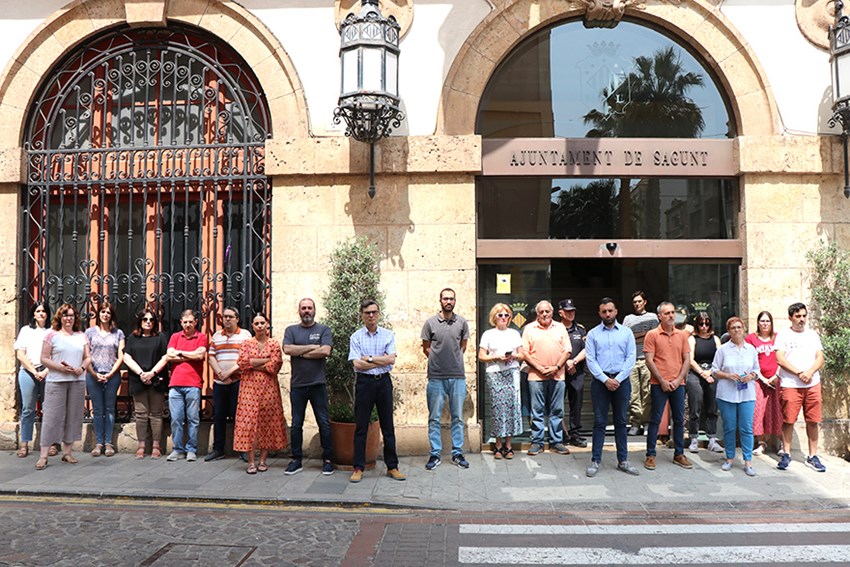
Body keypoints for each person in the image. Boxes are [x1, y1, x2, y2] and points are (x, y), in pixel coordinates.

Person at [348, 299, 405, 483]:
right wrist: (381, 360)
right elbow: (357, 364)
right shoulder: (356, 337)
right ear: (362, 315)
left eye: (374, 312)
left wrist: (370, 359)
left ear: (379, 314)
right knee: (361, 427)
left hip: (383, 383)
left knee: (388, 426)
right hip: (364, 383)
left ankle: (392, 467)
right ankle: (358, 468)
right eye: (367, 313)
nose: (371, 315)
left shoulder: (388, 335)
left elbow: (391, 360)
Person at [584, 297, 638, 477]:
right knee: (599, 422)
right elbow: (591, 360)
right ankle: (595, 460)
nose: (607, 314)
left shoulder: (626, 333)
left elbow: (631, 358)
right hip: (600, 382)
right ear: (599, 313)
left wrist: (618, 379)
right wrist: (605, 379)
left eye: (610, 311)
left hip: (622, 382)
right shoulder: (593, 334)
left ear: (616, 312)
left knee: (621, 421)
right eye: (604, 311)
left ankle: (623, 460)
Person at [35, 304, 91, 470]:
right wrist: (60, 368)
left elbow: (88, 357)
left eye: (72, 315)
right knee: (51, 417)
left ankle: (67, 452)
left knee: (73, 416)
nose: (69, 318)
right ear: (60, 318)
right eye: (65, 315)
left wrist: (81, 368)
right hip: (56, 381)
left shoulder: (81, 336)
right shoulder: (52, 335)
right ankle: (43, 456)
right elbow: (44, 358)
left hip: (77, 380)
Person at [282, 298, 334, 475]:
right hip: (298, 386)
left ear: (314, 310)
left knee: (324, 423)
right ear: (299, 311)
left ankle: (328, 460)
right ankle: (296, 460)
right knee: (296, 424)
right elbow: (287, 349)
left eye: (309, 308)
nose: (306, 311)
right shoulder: (291, 330)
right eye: (303, 308)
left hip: (318, 384)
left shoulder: (323, 329)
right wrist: (312, 347)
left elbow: (325, 351)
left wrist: (300, 352)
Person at [422, 288, 470, 470]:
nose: (449, 302)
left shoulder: (462, 323)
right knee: (434, 418)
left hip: (457, 376)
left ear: (455, 301)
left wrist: (452, 360)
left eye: (451, 299)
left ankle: (457, 453)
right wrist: (438, 360)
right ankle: (435, 454)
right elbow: (426, 347)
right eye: (445, 299)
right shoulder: (430, 323)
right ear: (440, 300)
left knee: (457, 417)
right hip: (436, 377)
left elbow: (463, 346)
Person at [775, 302, 826, 472]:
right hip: (791, 384)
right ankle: (786, 454)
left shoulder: (812, 335)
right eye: (798, 316)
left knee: (813, 420)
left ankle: (813, 456)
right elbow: (780, 359)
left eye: (804, 316)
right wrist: (799, 373)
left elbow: (820, 357)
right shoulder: (783, 335)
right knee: (788, 420)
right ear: (790, 317)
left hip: (812, 384)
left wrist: (809, 372)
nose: (802, 319)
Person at [233, 312, 287, 474]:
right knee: (248, 423)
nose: (260, 326)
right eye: (256, 323)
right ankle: (251, 462)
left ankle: (263, 460)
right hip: (249, 389)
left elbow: (275, 365)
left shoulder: (274, 344)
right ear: (252, 326)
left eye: (262, 323)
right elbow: (243, 362)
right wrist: (265, 361)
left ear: (267, 324)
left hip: (269, 389)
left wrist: (254, 363)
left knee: (267, 423)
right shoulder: (246, 343)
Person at [643, 301, 693, 471]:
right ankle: (650, 454)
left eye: (672, 312)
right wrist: (662, 380)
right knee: (655, 419)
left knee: (679, 419)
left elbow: (687, 360)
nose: (671, 316)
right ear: (659, 316)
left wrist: (678, 380)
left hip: (679, 384)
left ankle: (679, 454)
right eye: (667, 313)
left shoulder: (682, 335)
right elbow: (649, 361)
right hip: (658, 383)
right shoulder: (652, 335)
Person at [522, 300, 571, 456]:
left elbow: (567, 351)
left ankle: (556, 442)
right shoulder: (529, 328)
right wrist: (540, 368)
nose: (544, 314)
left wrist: (556, 367)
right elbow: (525, 353)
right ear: (537, 314)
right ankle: (537, 442)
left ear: (552, 312)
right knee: (537, 410)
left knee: (557, 410)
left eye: (547, 311)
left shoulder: (560, 327)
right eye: (541, 312)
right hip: (536, 376)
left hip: (558, 375)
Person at [711, 316, 759, 476]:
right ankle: (729, 458)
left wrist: (751, 376)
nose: (737, 330)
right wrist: (728, 375)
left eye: (739, 327)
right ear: (728, 331)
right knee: (729, 427)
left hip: (747, 394)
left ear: (744, 329)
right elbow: (714, 370)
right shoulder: (722, 350)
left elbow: (757, 370)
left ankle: (748, 461)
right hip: (727, 394)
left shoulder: (751, 349)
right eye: (733, 328)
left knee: (746, 428)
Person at [205, 307, 252, 462]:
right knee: (219, 416)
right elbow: (211, 356)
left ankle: (243, 450)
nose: (227, 319)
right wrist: (220, 373)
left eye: (230, 317)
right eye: (225, 316)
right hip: (220, 383)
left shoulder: (245, 335)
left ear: (237, 319)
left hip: (238, 381)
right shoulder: (217, 336)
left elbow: (246, 358)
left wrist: (229, 373)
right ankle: (218, 449)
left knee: (239, 416)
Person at [477, 303, 523, 459]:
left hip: (512, 371)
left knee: (512, 407)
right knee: (498, 408)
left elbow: (523, 355)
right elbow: (481, 356)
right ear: (494, 317)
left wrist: (514, 356)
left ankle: (508, 445)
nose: (503, 318)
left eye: (506, 315)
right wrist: (495, 357)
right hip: (495, 373)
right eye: (500, 315)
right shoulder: (488, 334)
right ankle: (497, 445)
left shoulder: (514, 333)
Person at [123, 308, 170, 459]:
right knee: (141, 414)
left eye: (151, 320)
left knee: (156, 414)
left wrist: (152, 373)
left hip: (156, 379)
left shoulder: (160, 337)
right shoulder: (133, 338)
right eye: (145, 319)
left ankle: (156, 446)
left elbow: (165, 357)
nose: (148, 322)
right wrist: (141, 373)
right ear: (140, 321)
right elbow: (127, 357)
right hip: (138, 380)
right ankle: (141, 445)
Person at [165, 309, 207, 462]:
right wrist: (190, 355)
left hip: (193, 384)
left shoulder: (201, 337)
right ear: (181, 323)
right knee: (176, 418)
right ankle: (177, 449)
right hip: (175, 384)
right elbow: (169, 355)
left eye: (190, 322)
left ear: (195, 322)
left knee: (193, 419)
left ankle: (191, 449)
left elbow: (200, 355)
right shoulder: (175, 336)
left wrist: (180, 353)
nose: (188, 324)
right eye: (185, 322)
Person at [85, 301, 125, 457]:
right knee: (97, 409)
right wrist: (93, 373)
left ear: (111, 315)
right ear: (98, 314)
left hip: (112, 375)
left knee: (109, 409)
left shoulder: (118, 333)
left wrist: (111, 373)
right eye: (103, 312)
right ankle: (98, 443)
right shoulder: (89, 332)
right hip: (93, 375)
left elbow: (121, 356)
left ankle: (108, 443)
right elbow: (86, 355)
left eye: (108, 312)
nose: (105, 315)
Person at [14, 302, 51, 458]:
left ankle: (50, 443)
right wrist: (35, 371)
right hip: (28, 372)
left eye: (44, 311)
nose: (41, 313)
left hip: (48, 372)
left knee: (49, 409)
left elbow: (56, 355)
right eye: (38, 311)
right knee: (28, 409)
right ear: (33, 314)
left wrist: (45, 371)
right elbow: (20, 354)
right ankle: (24, 444)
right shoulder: (26, 330)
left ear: (47, 314)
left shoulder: (52, 331)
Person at [745, 311, 783, 455]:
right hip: (759, 381)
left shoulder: (778, 338)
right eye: (762, 321)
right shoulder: (751, 339)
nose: (765, 324)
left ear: (771, 323)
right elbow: (750, 361)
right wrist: (762, 378)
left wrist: (776, 375)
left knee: (778, 410)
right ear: (758, 323)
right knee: (758, 411)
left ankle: (780, 443)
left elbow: (783, 358)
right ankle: (761, 443)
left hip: (776, 380)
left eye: (767, 321)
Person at [686, 312, 723, 454]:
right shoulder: (692, 339)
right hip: (696, 373)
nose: (704, 327)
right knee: (695, 405)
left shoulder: (715, 339)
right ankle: (694, 438)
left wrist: (711, 372)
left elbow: (720, 358)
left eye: (707, 324)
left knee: (712, 407)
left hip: (712, 373)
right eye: (701, 324)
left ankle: (712, 439)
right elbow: (690, 360)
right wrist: (702, 373)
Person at [622, 291, 658, 436]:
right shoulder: (628, 319)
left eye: (639, 301)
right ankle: (635, 423)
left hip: (648, 360)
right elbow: (625, 338)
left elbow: (654, 337)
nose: (637, 304)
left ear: (645, 302)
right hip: (632, 360)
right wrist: (644, 334)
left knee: (647, 392)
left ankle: (647, 422)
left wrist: (636, 336)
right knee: (633, 394)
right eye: (635, 302)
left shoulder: (652, 317)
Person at [559, 298, 588, 447]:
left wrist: (573, 362)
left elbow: (587, 349)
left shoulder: (580, 329)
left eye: (573, 311)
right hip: (559, 372)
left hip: (577, 372)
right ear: (560, 313)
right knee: (557, 404)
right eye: (568, 311)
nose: (571, 313)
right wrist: (564, 363)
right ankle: (562, 434)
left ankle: (575, 434)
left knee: (576, 405)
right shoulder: (555, 329)